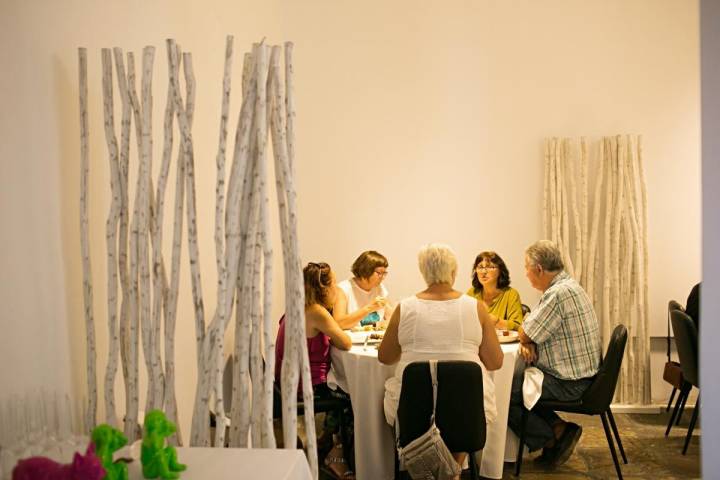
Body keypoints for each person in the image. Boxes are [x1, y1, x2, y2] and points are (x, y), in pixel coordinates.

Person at [379, 244, 503, 479]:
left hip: (414, 411)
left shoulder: (404, 308)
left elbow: (385, 357)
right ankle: (453, 469)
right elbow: (495, 361)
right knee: (464, 395)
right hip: (467, 411)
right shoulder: (475, 307)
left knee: (409, 391)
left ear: (423, 273)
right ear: (453, 272)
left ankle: (433, 470)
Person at [508, 240, 601, 468]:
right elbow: (531, 329)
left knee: (504, 394)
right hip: (586, 377)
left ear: (538, 269)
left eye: (527, 269)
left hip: (571, 383)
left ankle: (550, 438)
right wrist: (529, 339)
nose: (526, 274)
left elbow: (525, 330)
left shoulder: (557, 294)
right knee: (525, 382)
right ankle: (559, 430)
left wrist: (527, 338)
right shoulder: (569, 286)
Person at [274, 262, 355, 480]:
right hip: (306, 385)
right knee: (355, 397)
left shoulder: (297, 306)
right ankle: (337, 455)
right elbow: (346, 342)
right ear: (324, 288)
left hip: (289, 380)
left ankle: (325, 440)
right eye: (335, 284)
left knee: (344, 387)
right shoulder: (316, 311)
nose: (337, 290)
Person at [467, 251, 525, 331]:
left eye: (490, 267)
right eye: (480, 267)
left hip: (503, 343)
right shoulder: (472, 293)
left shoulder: (511, 294)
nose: (483, 272)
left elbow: (517, 326)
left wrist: (495, 321)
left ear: (500, 271)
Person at [334, 250, 392, 329]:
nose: (383, 277)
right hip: (353, 340)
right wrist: (369, 308)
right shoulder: (343, 289)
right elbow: (339, 324)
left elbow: (391, 318)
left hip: (375, 339)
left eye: (384, 273)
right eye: (379, 273)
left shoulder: (380, 288)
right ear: (365, 270)